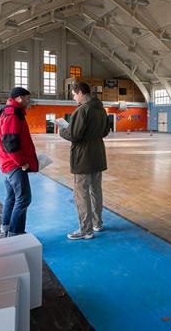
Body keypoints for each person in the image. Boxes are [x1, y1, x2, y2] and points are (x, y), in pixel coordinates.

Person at [59, 82, 110, 240]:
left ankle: (86, 229)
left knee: (81, 193)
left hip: (83, 158)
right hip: (98, 155)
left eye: (74, 94)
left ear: (80, 92)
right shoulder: (101, 109)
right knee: (96, 190)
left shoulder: (82, 110)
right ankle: (97, 223)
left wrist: (62, 131)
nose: (74, 97)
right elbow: (105, 131)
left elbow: (74, 135)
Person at [0, 87, 38, 237]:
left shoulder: (10, 111)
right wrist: (22, 163)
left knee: (11, 197)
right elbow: (10, 143)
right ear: (19, 98)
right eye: (27, 98)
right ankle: (15, 233)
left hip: (6, 162)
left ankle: (6, 228)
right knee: (24, 198)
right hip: (13, 164)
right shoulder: (12, 114)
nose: (28, 101)